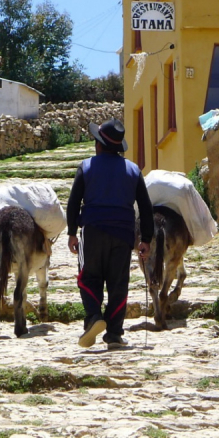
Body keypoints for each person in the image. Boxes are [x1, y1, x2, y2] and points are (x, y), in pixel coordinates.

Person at [67, 118, 154, 349]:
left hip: (93, 230)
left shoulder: (86, 167)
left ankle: (94, 317)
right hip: (123, 234)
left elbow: (74, 201)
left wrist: (72, 233)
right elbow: (145, 207)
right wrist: (146, 239)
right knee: (118, 284)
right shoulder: (133, 170)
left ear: (98, 144)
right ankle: (114, 333)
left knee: (88, 277)